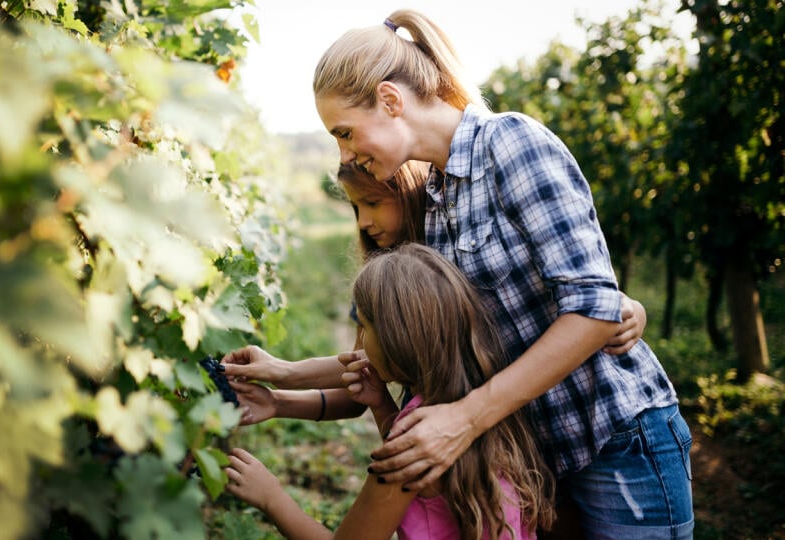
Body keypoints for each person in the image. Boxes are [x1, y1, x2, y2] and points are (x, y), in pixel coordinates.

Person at [302, 8, 693, 539]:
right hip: (542, 457)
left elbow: (594, 308)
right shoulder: (435, 202)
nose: (346, 153)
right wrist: (279, 379)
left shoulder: (510, 145)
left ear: (391, 100)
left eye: (345, 132)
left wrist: (466, 417)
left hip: (613, 440)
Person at [226, 162, 646, 426]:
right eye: (355, 209)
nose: (364, 222)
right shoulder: (382, 275)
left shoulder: (448, 259)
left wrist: (627, 306)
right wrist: (279, 385)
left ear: (409, 192)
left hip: (522, 431)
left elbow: (555, 294)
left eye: (372, 203)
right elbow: (363, 371)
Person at [225, 243, 555, 539]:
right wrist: (383, 407)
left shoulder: (410, 444)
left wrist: (271, 497)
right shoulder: (482, 404)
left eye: (364, 326)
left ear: (396, 342)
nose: (359, 341)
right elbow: (432, 500)